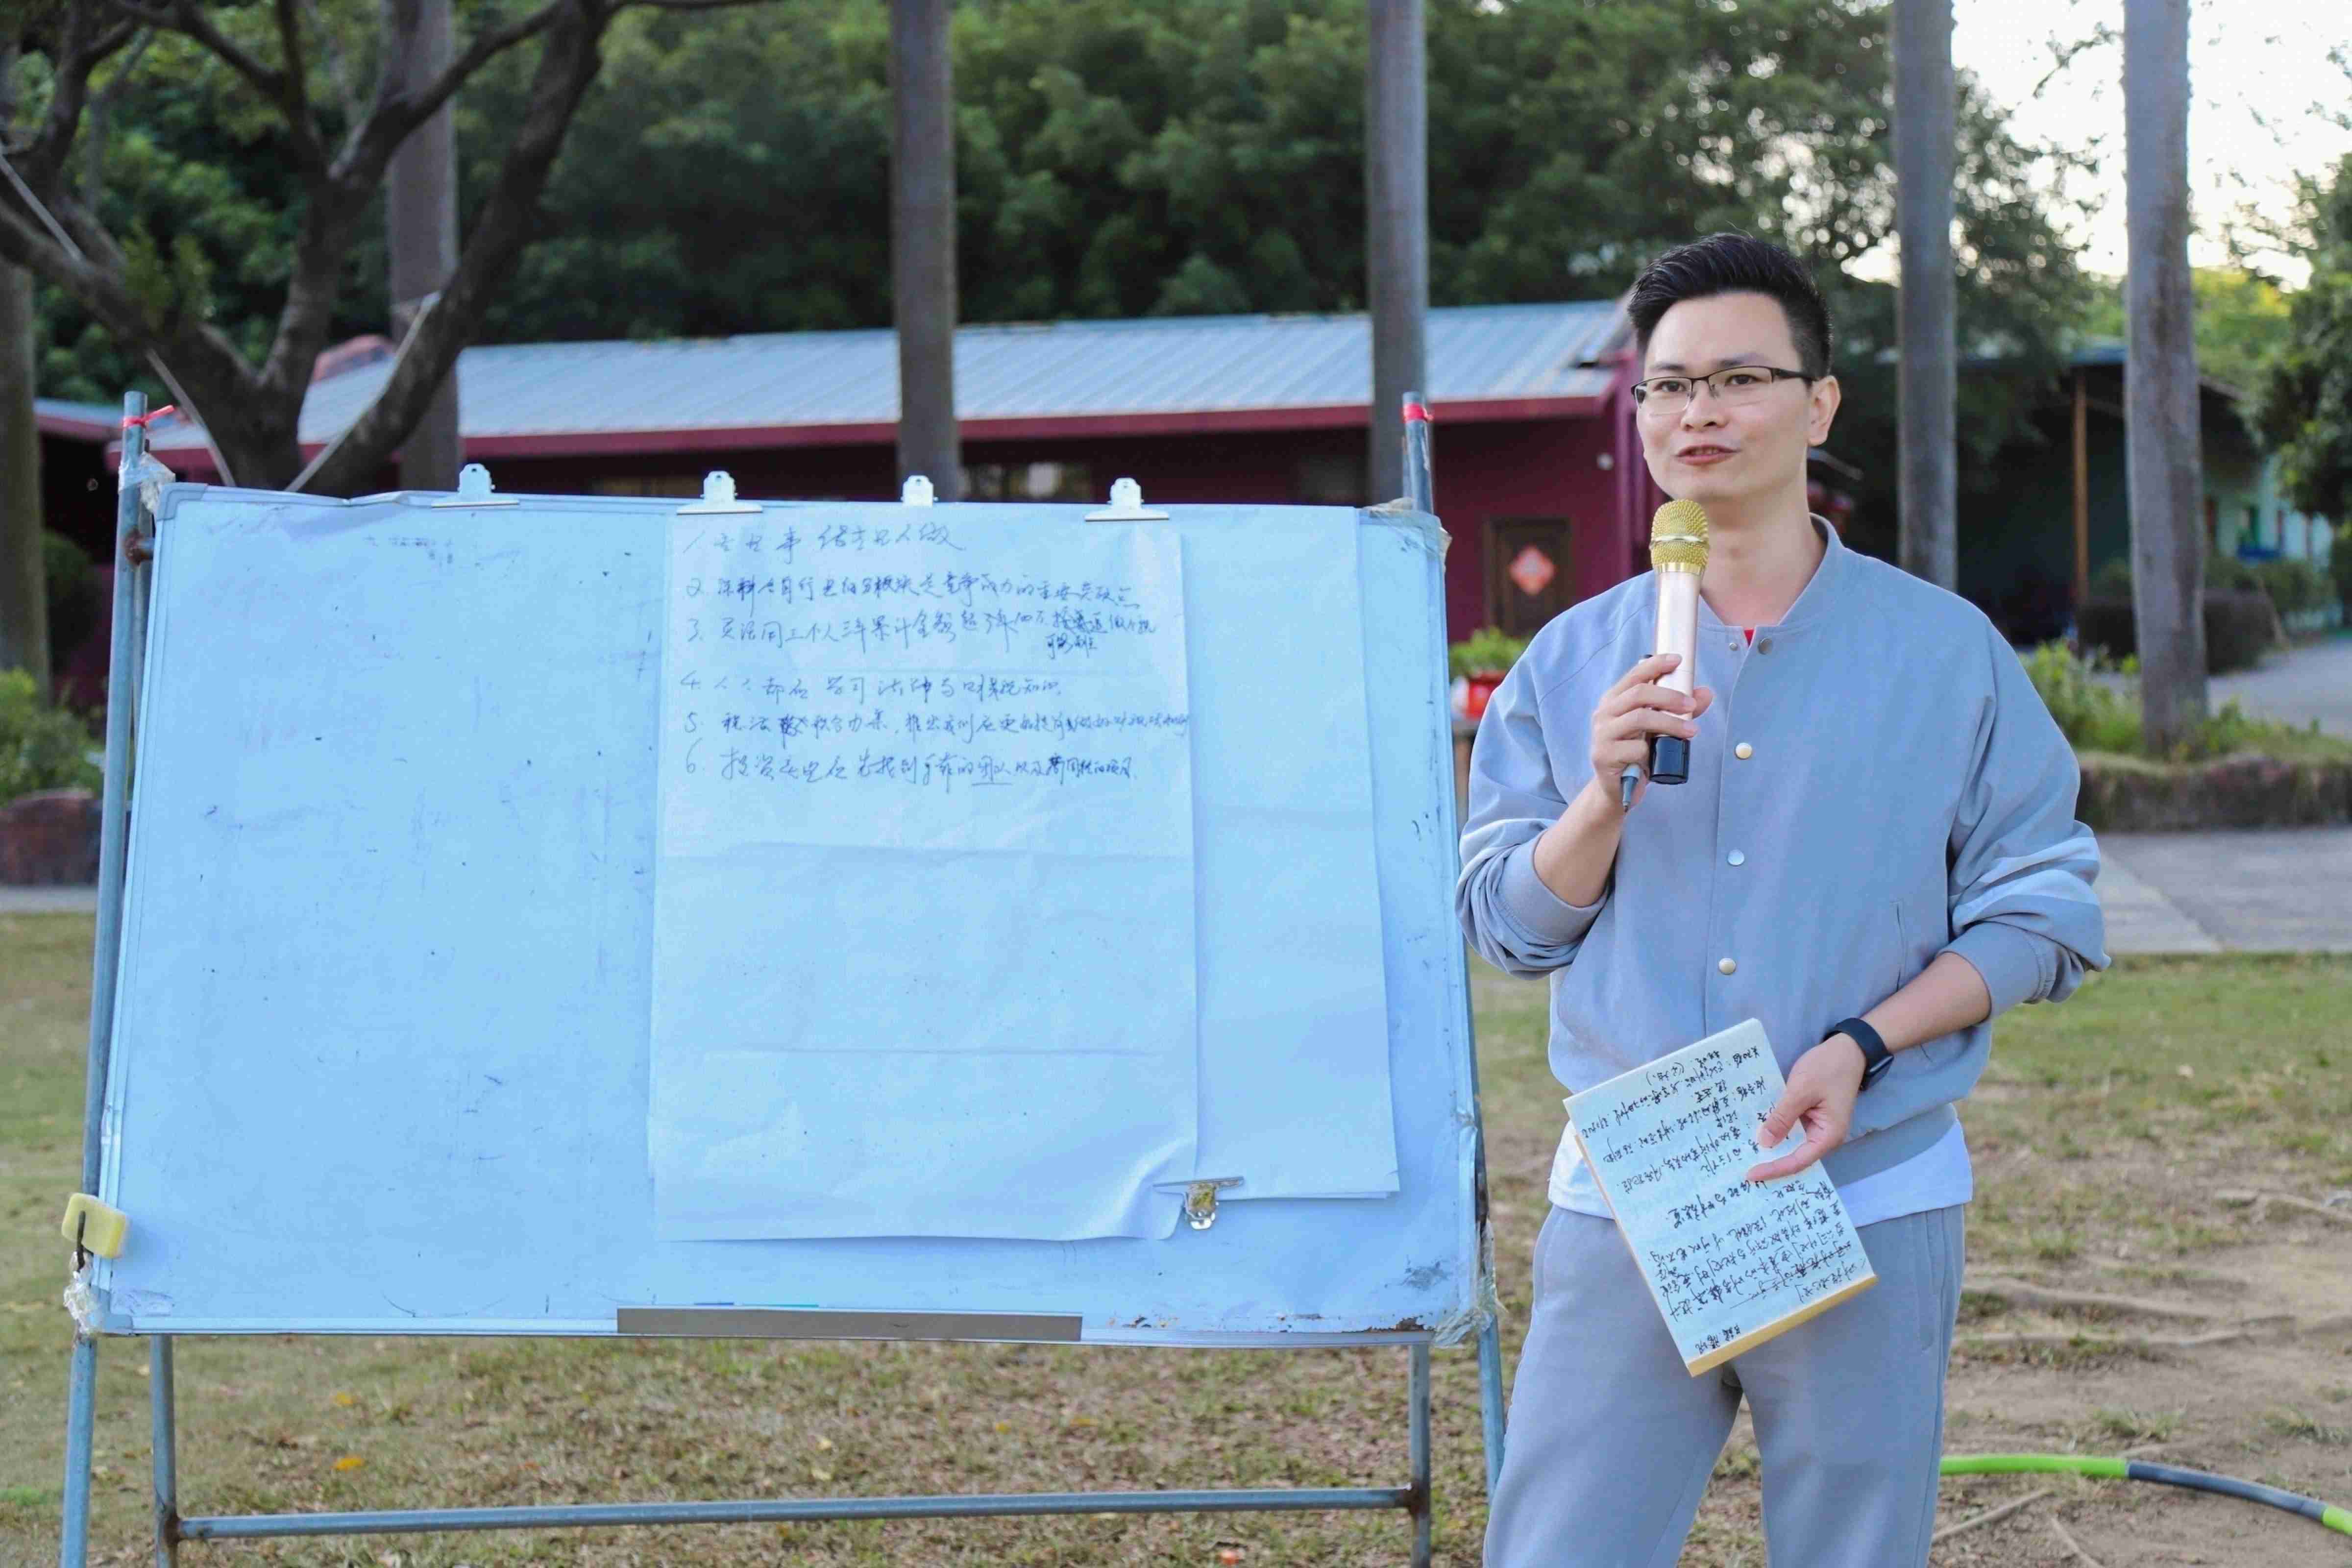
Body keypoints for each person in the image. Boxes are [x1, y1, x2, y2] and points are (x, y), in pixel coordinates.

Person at [1459, 232, 2110, 1568]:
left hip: (1867, 1183)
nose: (1697, 412)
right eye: (1668, 385)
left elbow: (2044, 911)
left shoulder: (1944, 653)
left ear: (1818, 406)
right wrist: (1598, 801)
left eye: (1739, 379)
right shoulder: (1574, 660)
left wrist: (1864, 1044)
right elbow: (1507, 929)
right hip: (1636, 1192)